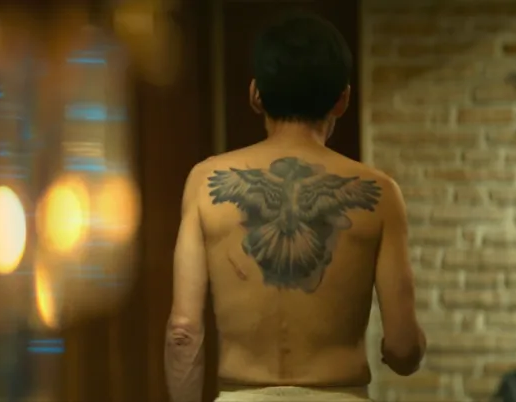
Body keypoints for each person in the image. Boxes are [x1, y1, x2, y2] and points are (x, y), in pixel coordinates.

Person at [164, 11, 426, 402]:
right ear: (343, 99)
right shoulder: (380, 192)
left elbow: (182, 333)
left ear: (256, 94)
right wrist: (409, 348)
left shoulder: (205, 181)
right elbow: (403, 349)